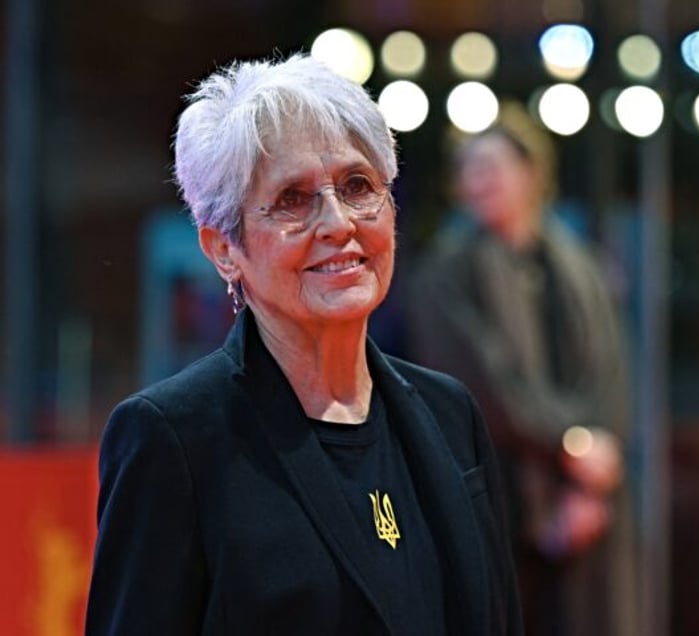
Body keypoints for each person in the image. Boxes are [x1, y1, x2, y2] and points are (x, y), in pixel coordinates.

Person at [85, 53, 521, 635]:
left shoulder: (451, 416)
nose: (337, 222)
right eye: (292, 198)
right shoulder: (173, 439)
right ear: (223, 249)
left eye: (358, 186)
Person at [408, 107, 638, 636]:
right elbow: (481, 383)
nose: (478, 179)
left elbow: (611, 373)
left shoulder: (580, 264)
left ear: (532, 173)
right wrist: (572, 443)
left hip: (589, 500)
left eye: (491, 165)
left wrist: (589, 486)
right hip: (499, 490)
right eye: (467, 169)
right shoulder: (445, 271)